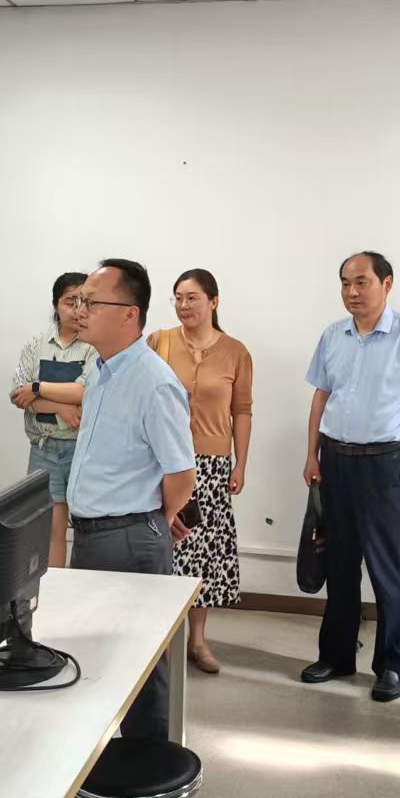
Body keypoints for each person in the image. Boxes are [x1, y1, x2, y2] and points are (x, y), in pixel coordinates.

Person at [301, 252, 400, 703]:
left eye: (362, 282)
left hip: (385, 463)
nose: (352, 291)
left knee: (388, 567)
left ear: (386, 284)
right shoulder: (333, 335)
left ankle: (392, 664)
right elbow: (321, 396)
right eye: (345, 283)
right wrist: (311, 453)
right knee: (339, 564)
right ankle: (336, 656)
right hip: (335, 459)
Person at [69, 258, 196, 738]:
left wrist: (153, 519)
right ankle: (101, 767)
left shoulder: (154, 382)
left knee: (138, 668)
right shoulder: (100, 370)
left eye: (90, 302)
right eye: (78, 301)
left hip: (127, 539)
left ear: (129, 313)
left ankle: (148, 769)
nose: (79, 311)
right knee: (95, 660)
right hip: (95, 533)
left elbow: (181, 474)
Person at [148, 269, 253, 674]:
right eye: (177, 297)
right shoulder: (159, 342)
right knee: (164, 547)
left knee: (203, 553)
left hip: (211, 466)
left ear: (214, 301)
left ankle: (197, 640)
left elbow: (242, 411)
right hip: (163, 461)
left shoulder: (235, 352)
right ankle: (159, 639)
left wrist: (240, 463)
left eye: (192, 297)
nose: (183, 305)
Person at [10, 273, 97, 568]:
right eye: (70, 301)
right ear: (55, 304)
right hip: (44, 448)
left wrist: (37, 389)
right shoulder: (37, 344)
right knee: (48, 530)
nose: (78, 309)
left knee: (88, 530)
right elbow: (17, 393)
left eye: (84, 301)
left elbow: (84, 392)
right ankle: (54, 590)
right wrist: (60, 408)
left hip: (82, 449)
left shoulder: (94, 346)